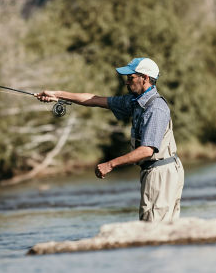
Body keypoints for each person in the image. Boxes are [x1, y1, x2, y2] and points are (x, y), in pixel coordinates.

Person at [35, 57, 184, 222]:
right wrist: (57, 94)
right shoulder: (135, 101)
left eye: (131, 78)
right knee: (163, 228)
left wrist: (110, 164)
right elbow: (95, 100)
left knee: (153, 228)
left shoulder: (155, 108)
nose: (127, 82)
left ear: (145, 79)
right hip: (157, 170)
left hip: (161, 172)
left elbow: (146, 150)